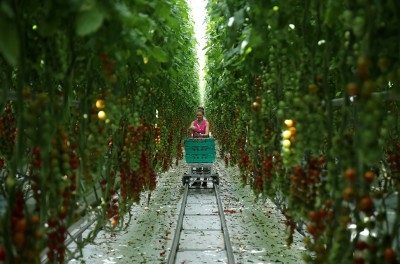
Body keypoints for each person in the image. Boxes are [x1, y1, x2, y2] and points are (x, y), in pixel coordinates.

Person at [188, 107, 210, 187]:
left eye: (200, 115)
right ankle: (197, 180)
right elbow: (190, 130)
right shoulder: (193, 122)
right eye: (197, 115)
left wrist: (200, 135)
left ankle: (205, 180)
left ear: (203, 115)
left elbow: (207, 134)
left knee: (205, 161)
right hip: (196, 144)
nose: (198, 116)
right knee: (197, 161)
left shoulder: (206, 123)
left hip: (204, 144)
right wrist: (191, 128)